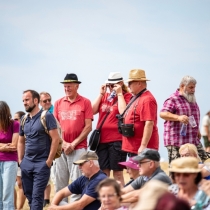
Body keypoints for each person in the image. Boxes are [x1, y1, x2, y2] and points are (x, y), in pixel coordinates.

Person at [54, 73, 93, 202]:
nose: (67, 89)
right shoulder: (58, 103)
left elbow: (88, 127)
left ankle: (76, 206)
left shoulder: (85, 102)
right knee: (60, 182)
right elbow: (55, 127)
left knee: (77, 182)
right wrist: (64, 143)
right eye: (65, 86)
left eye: (69, 86)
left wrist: (73, 144)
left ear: (77, 86)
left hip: (79, 148)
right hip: (61, 149)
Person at [18, 90, 60, 210]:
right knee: (30, 196)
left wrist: (48, 161)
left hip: (41, 163)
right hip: (26, 163)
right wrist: (21, 161)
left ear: (35, 101)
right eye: (23, 101)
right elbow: (21, 141)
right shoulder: (24, 119)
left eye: (27, 100)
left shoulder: (47, 116)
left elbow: (55, 139)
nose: (24, 103)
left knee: (37, 197)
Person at [92, 72, 131, 185]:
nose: (111, 88)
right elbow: (92, 111)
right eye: (109, 85)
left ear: (121, 84)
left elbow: (123, 112)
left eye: (113, 85)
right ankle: (105, 199)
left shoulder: (127, 96)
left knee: (118, 173)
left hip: (117, 140)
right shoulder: (105, 97)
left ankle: (121, 201)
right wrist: (100, 94)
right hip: (102, 140)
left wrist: (119, 94)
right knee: (104, 173)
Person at [160, 75, 207, 163]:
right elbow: (163, 114)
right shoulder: (173, 99)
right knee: (176, 168)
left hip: (192, 139)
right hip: (176, 141)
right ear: (182, 86)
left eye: (194, 87)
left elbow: (193, 116)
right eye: (191, 87)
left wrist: (197, 130)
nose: (193, 90)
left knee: (202, 161)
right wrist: (178, 117)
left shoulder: (191, 98)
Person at [120, 69, 159, 156]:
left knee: (138, 170)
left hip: (141, 149)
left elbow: (149, 123)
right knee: (131, 169)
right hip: (134, 147)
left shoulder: (147, 99)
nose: (128, 85)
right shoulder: (137, 97)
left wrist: (143, 146)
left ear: (139, 83)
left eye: (130, 83)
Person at [0, 101, 19, 210]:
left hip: (10, 162)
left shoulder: (14, 124)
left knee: (7, 194)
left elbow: (14, 146)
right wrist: (4, 146)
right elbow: (9, 145)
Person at [39, 91, 55, 207]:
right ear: (39, 102)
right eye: (45, 101)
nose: (48, 102)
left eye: (49, 100)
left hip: (54, 151)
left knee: (51, 177)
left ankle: (47, 199)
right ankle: (44, 200)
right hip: (42, 151)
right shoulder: (38, 114)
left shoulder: (54, 112)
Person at [13, 111, 26, 210]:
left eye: (16, 119)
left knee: (21, 184)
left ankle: (19, 208)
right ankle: (12, 206)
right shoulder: (12, 129)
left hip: (22, 160)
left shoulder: (25, 129)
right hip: (12, 159)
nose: (14, 121)